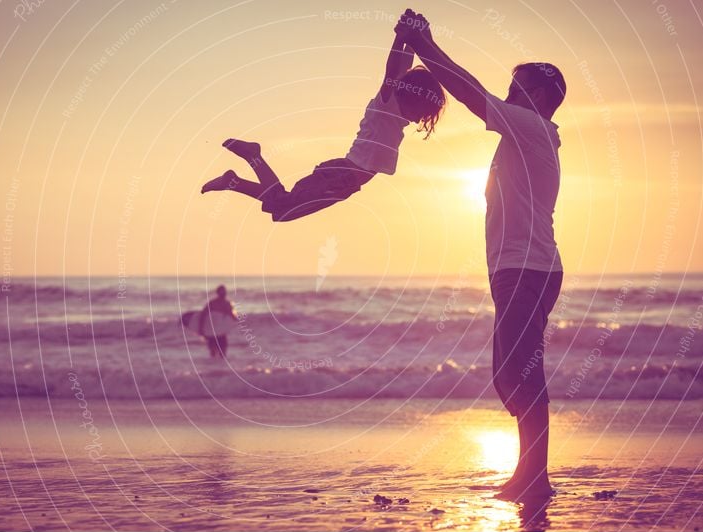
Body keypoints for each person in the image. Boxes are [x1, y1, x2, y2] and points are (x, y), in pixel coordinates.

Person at [395, 9, 566, 501]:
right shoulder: (526, 132)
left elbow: (469, 91)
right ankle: (532, 471)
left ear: (537, 95)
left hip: (528, 269)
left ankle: (535, 477)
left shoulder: (529, 126)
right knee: (507, 374)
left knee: (522, 371)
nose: (507, 91)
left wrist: (425, 45)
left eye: (516, 84)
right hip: (518, 270)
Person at [200, 30, 446, 222]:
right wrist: (399, 36)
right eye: (421, 112)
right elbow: (392, 71)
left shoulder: (398, 115)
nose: (418, 120)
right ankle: (252, 158)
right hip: (340, 176)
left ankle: (234, 180)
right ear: (411, 97)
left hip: (345, 184)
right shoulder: (387, 104)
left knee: (283, 207)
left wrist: (415, 38)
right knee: (284, 208)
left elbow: (403, 64)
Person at [196, 285, 238, 359]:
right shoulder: (213, 304)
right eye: (223, 292)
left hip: (220, 331)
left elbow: (231, 316)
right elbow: (203, 315)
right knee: (214, 352)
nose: (224, 294)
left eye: (224, 292)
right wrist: (201, 328)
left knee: (222, 352)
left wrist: (236, 322)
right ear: (218, 293)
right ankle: (215, 368)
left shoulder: (226, 304)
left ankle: (219, 368)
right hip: (212, 331)